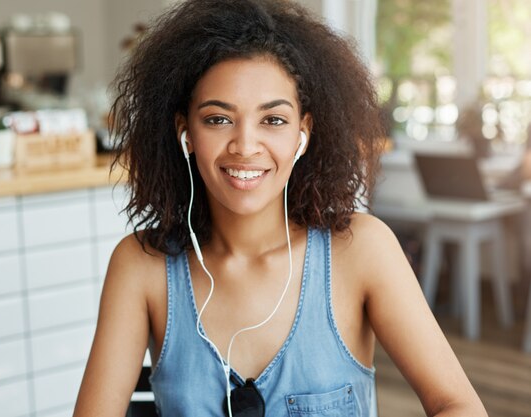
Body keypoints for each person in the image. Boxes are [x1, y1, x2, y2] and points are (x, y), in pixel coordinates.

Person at [73, 0, 487, 416]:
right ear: (186, 133)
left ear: (302, 134)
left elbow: (457, 405)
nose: (246, 146)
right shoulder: (141, 267)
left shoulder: (361, 250)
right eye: (218, 119)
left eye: (273, 120)